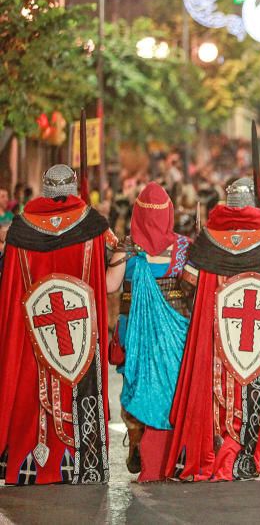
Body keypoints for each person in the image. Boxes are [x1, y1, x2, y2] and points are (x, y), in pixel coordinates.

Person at [167, 178, 260, 481]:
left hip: (220, 337)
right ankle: (256, 453)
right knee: (259, 388)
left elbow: (189, 282)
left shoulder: (208, 238)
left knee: (221, 391)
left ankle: (220, 451)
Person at [0, 165, 112, 485]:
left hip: (32, 335)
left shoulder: (21, 228)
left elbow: (11, 293)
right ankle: (80, 465)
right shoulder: (91, 225)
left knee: (29, 387)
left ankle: (29, 469)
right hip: (78, 337)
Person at [106, 183, 193, 481]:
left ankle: (134, 436)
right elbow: (195, 286)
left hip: (134, 332)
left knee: (136, 383)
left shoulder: (127, 248)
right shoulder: (182, 247)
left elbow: (109, 286)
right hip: (174, 332)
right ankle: (171, 451)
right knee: (170, 388)